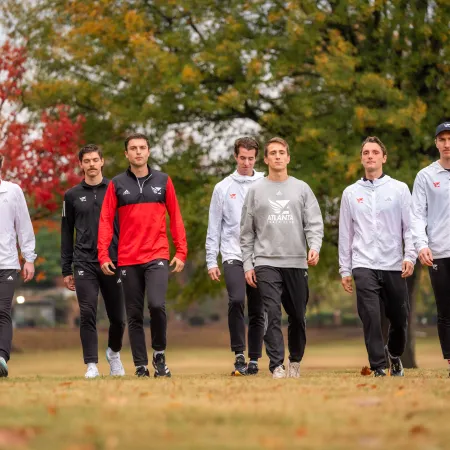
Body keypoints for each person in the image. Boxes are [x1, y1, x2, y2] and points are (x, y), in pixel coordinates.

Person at [98, 133, 187, 378]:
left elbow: (176, 217)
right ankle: (140, 365)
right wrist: (104, 254)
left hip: (157, 254)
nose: (138, 152)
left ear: (148, 151)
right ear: (126, 154)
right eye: (133, 148)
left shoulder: (163, 180)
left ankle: (159, 355)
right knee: (134, 314)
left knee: (157, 305)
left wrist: (181, 251)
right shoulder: (116, 184)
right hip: (127, 258)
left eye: (142, 148)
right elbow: (105, 221)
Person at [240, 137, 323, 379]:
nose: (277, 156)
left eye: (281, 152)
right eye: (272, 153)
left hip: (296, 262)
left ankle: (294, 361)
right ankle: (276, 365)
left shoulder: (302, 188)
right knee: (271, 314)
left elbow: (314, 224)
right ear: (265, 159)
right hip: (266, 262)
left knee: (297, 316)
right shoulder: (255, 191)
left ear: (288, 157)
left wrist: (314, 247)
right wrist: (248, 264)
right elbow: (246, 232)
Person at [339, 136, 416, 377]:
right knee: (370, 317)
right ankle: (378, 366)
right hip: (363, 264)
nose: (370, 156)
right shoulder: (350, 193)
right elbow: (346, 233)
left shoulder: (400, 189)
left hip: (393, 263)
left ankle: (394, 354)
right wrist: (345, 269)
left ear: (383, 157)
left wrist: (410, 256)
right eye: (365, 153)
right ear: (361, 159)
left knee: (400, 317)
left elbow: (410, 227)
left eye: (374, 152)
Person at [61, 144, 126, 379]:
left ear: (102, 162)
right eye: (86, 161)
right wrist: (66, 268)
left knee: (118, 318)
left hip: (113, 261)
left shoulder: (116, 189)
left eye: (94, 160)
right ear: (81, 164)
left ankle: (114, 353)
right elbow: (66, 233)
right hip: (84, 262)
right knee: (88, 313)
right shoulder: (71, 196)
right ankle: (91, 364)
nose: (91, 164)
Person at [206, 137, 265, 376]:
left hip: (261, 254)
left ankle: (253, 358)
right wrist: (211, 260)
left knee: (258, 308)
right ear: (235, 157)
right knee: (237, 299)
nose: (247, 163)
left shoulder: (265, 183)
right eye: (242, 158)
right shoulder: (223, 187)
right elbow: (214, 226)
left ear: (256, 158)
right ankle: (239, 353)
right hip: (232, 253)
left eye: (251, 158)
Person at [411, 122, 450, 376]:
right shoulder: (425, 176)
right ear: (436, 143)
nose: (447, 144)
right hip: (440, 252)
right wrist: (421, 245)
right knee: (446, 310)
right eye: (442, 139)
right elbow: (417, 215)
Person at [0, 154, 36, 377]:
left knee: (2, 310)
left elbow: (23, 225)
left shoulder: (12, 191)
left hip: (7, 264)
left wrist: (29, 258)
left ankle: (2, 358)